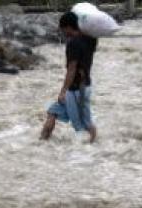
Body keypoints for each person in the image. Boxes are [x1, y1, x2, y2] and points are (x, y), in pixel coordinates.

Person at [41, 11, 98, 143]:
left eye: (63, 29)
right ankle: (41, 142)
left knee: (85, 124)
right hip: (82, 86)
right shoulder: (91, 40)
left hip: (77, 90)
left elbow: (72, 69)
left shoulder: (73, 43)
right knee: (52, 111)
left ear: (68, 27)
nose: (63, 32)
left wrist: (63, 91)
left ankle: (93, 146)